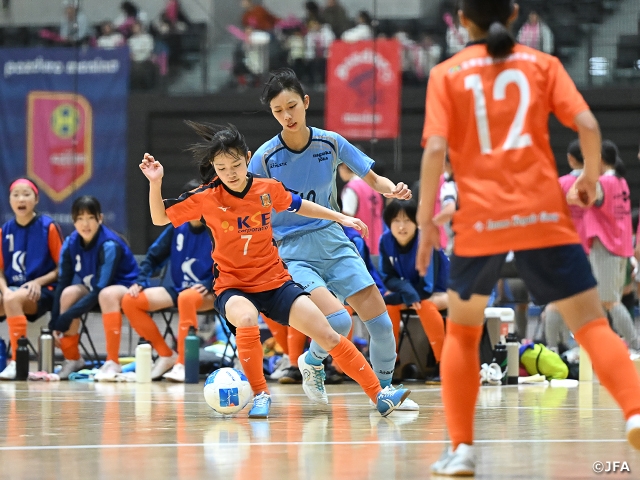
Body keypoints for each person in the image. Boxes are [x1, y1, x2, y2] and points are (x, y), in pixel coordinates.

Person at [416, 0, 640, 475]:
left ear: (462, 20)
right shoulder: (542, 63)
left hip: (480, 219)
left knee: (462, 333)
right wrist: (591, 180)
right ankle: (635, 411)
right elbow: (588, 125)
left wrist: (426, 221)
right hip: (542, 213)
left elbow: (435, 149)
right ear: (515, 13)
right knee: (592, 325)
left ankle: (462, 450)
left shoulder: (446, 74)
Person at [139, 121, 411, 418]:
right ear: (214, 168)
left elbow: (301, 205)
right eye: (221, 167)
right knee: (246, 318)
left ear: (248, 158)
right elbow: (160, 218)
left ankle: (379, 395)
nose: (230, 173)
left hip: (275, 282)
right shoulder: (206, 197)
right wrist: (155, 183)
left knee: (329, 333)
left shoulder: (266, 188)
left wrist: (340, 218)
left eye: (235, 165)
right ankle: (260, 395)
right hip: (234, 286)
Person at [249, 68, 417, 410]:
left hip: (333, 240)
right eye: (278, 111)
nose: (287, 116)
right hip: (293, 251)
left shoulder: (331, 142)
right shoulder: (264, 157)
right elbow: (249, 206)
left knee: (382, 326)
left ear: (306, 102)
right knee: (339, 320)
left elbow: (373, 178)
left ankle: (385, 393)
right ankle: (312, 363)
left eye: (292, 106)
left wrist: (392, 190)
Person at [121, 181, 215, 382]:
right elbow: (153, 256)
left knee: (187, 298)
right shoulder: (176, 227)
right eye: (188, 201)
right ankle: (166, 355)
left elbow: (229, 262)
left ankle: (183, 362)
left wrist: (210, 283)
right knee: (130, 300)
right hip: (181, 289)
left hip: (211, 292)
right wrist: (141, 280)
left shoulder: (216, 227)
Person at [49, 196, 139, 380]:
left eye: (90, 217)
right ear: (73, 221)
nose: (85, 224)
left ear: (100, 218)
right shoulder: (70, 242)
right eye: (80, 218)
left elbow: (100, 288)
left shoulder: (109, 244)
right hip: (95, 290)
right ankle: (72, 359)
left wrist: (67, 317)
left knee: (106, 294)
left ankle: (112, 361)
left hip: (124, 289)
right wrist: (55, 321)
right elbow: (63, 281)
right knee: (68, 293)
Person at [0, 179, 63, 380]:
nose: (21, 199)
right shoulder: (5, 230)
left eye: (26, 194)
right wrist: (5, 290)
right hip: (13, 290)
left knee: (12, 299)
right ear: (9, 200)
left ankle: (18, 361)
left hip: (44, 290)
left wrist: (38, 282)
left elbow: (61, 268)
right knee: (9, 298)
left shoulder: (48, 227)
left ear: (36, 199)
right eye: (16, 195)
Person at [379, 199, 448, 383]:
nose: (401, 226)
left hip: (442, 290)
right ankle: (389, 364)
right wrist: (406, 290)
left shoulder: (426, 241)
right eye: (396, 220)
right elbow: (387, 277)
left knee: (425, 304)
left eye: (407, 220)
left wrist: (403, 294)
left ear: (417, 222)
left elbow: (427, 287)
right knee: (388, 307)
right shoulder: (385, 240)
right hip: (410, 292)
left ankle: (443, 364)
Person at [583, 140, 638, 350]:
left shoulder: (602, 183)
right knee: (604, 301)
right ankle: (604, 346)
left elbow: (579, 198)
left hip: (606, 247)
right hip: (620, 246)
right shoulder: (620, 181)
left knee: (610, 302)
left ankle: (635, 344)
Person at [338, 162, 383, 255]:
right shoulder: (373, 187)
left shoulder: (351, 188)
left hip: (359, 247)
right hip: (377, 246)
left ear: (344, 166)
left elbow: (345, 218)